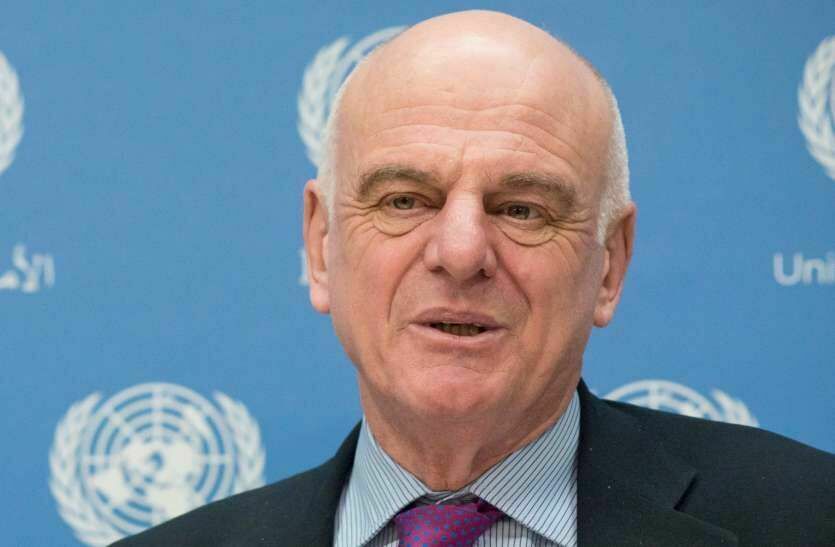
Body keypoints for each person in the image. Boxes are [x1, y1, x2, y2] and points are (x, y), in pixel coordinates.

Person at [114, 10, 834, 547]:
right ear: (321, 244)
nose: (460, 253)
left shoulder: (808, 519)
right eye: (404, 200)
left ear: (609, 263)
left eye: (522, 209)